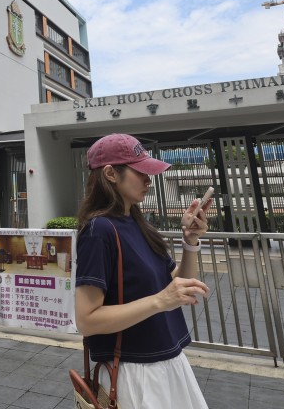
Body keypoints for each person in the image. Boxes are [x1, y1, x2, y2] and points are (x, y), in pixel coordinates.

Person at [74, 133, 211, 409]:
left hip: (168, 361)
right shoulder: (98, 231)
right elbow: (86, 319)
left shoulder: (139, 224)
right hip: (134, 372)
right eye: (141, 172)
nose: (149, 180)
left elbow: (177, 283)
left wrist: (190, 240)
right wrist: (161, 300)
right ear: (111, 173)